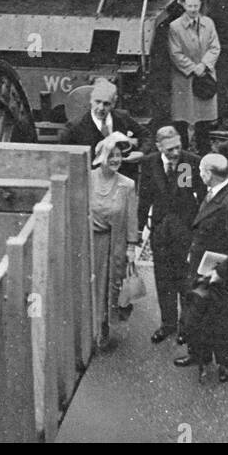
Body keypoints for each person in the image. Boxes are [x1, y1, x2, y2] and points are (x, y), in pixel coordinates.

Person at [176, 152, 228, 382]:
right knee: (202, 316)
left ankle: (225, 364)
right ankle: (200, 356)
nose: (199, 174)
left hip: (218, 274)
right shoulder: (220, 194)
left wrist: (218, 272)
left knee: (219, 323)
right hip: (203, 267)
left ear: (209, 173)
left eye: (201, 170)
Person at [139, 126, 205, 344]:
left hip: (185, 229)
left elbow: (201, 196)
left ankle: (186, 326)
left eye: (178, 147)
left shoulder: (191, 161)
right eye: (170, 150)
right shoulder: (149, 163)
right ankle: (168, 324)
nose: (175, 153)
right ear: (159, 147)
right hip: (160, 231)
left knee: (185, 280)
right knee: (163, 280)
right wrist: (139, 229)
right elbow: (145, 197)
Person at [90, 132, 140, 345]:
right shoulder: (87, 177)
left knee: (107, 288)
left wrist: (131, 247)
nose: (116, 160)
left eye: (119, 156)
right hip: (89, 243)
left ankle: (102, 329)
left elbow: (131, 218)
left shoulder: (127, 185)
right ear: (101, 156)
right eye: (111, 155)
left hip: (113, 244)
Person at [167, 0, 220, 154]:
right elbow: (175, 53)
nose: (193, 9)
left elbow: (215, 47)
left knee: (203, 119)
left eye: (196, 5)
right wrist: (192, 67)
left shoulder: (208, 23)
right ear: (183, 5)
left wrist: (204, 65)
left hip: (204, 76)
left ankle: (204, 151)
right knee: (183, 117)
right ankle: (183, 151)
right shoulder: (175, 27)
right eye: (189, 6)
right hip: (184, 79)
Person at [59, 78, 149, 169]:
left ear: (114, 103)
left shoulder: (122, 117)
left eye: (106, 104)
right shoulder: (74, 126)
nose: (101, 108)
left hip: (120, 175)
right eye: (97, 102)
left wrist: (141, 152)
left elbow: (146, 135)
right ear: (91, 100)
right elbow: (66, 157)